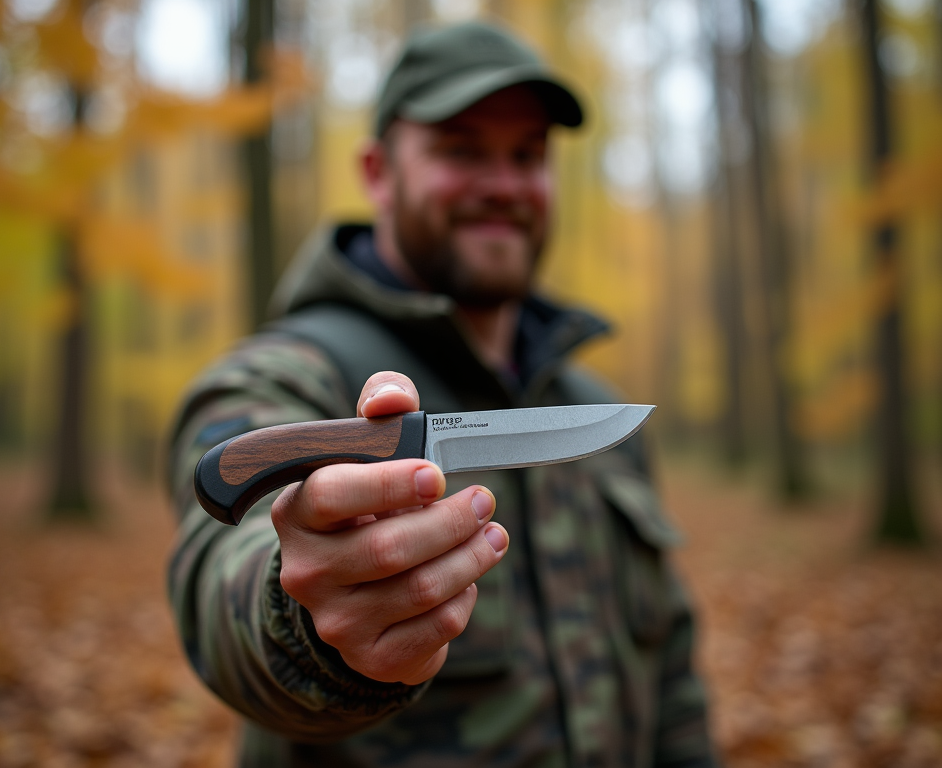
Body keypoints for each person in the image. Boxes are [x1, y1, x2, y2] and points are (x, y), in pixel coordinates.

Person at [167, 20, 717, 768]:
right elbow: (220, 572)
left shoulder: (595, 404)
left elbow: (672, 679)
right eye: (461, 149)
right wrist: (304, 614)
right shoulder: (289, 377)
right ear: (378, 173)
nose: (503, 183)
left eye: (527, 155)